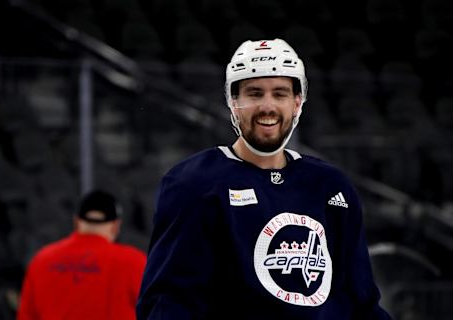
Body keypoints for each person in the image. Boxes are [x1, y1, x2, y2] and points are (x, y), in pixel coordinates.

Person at [136, 39, 392, 319]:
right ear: (233, 102)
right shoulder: (194, 183)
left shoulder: (331, 186)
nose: (267, 106)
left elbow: (361, 299)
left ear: (297, 102)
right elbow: (169, 301)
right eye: (255, 94)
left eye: (279, 94)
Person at [17, 190, 147, 320]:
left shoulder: (42, 260)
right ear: (116, 226)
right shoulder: (134, 261)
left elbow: (26, 315)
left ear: (77, 221)